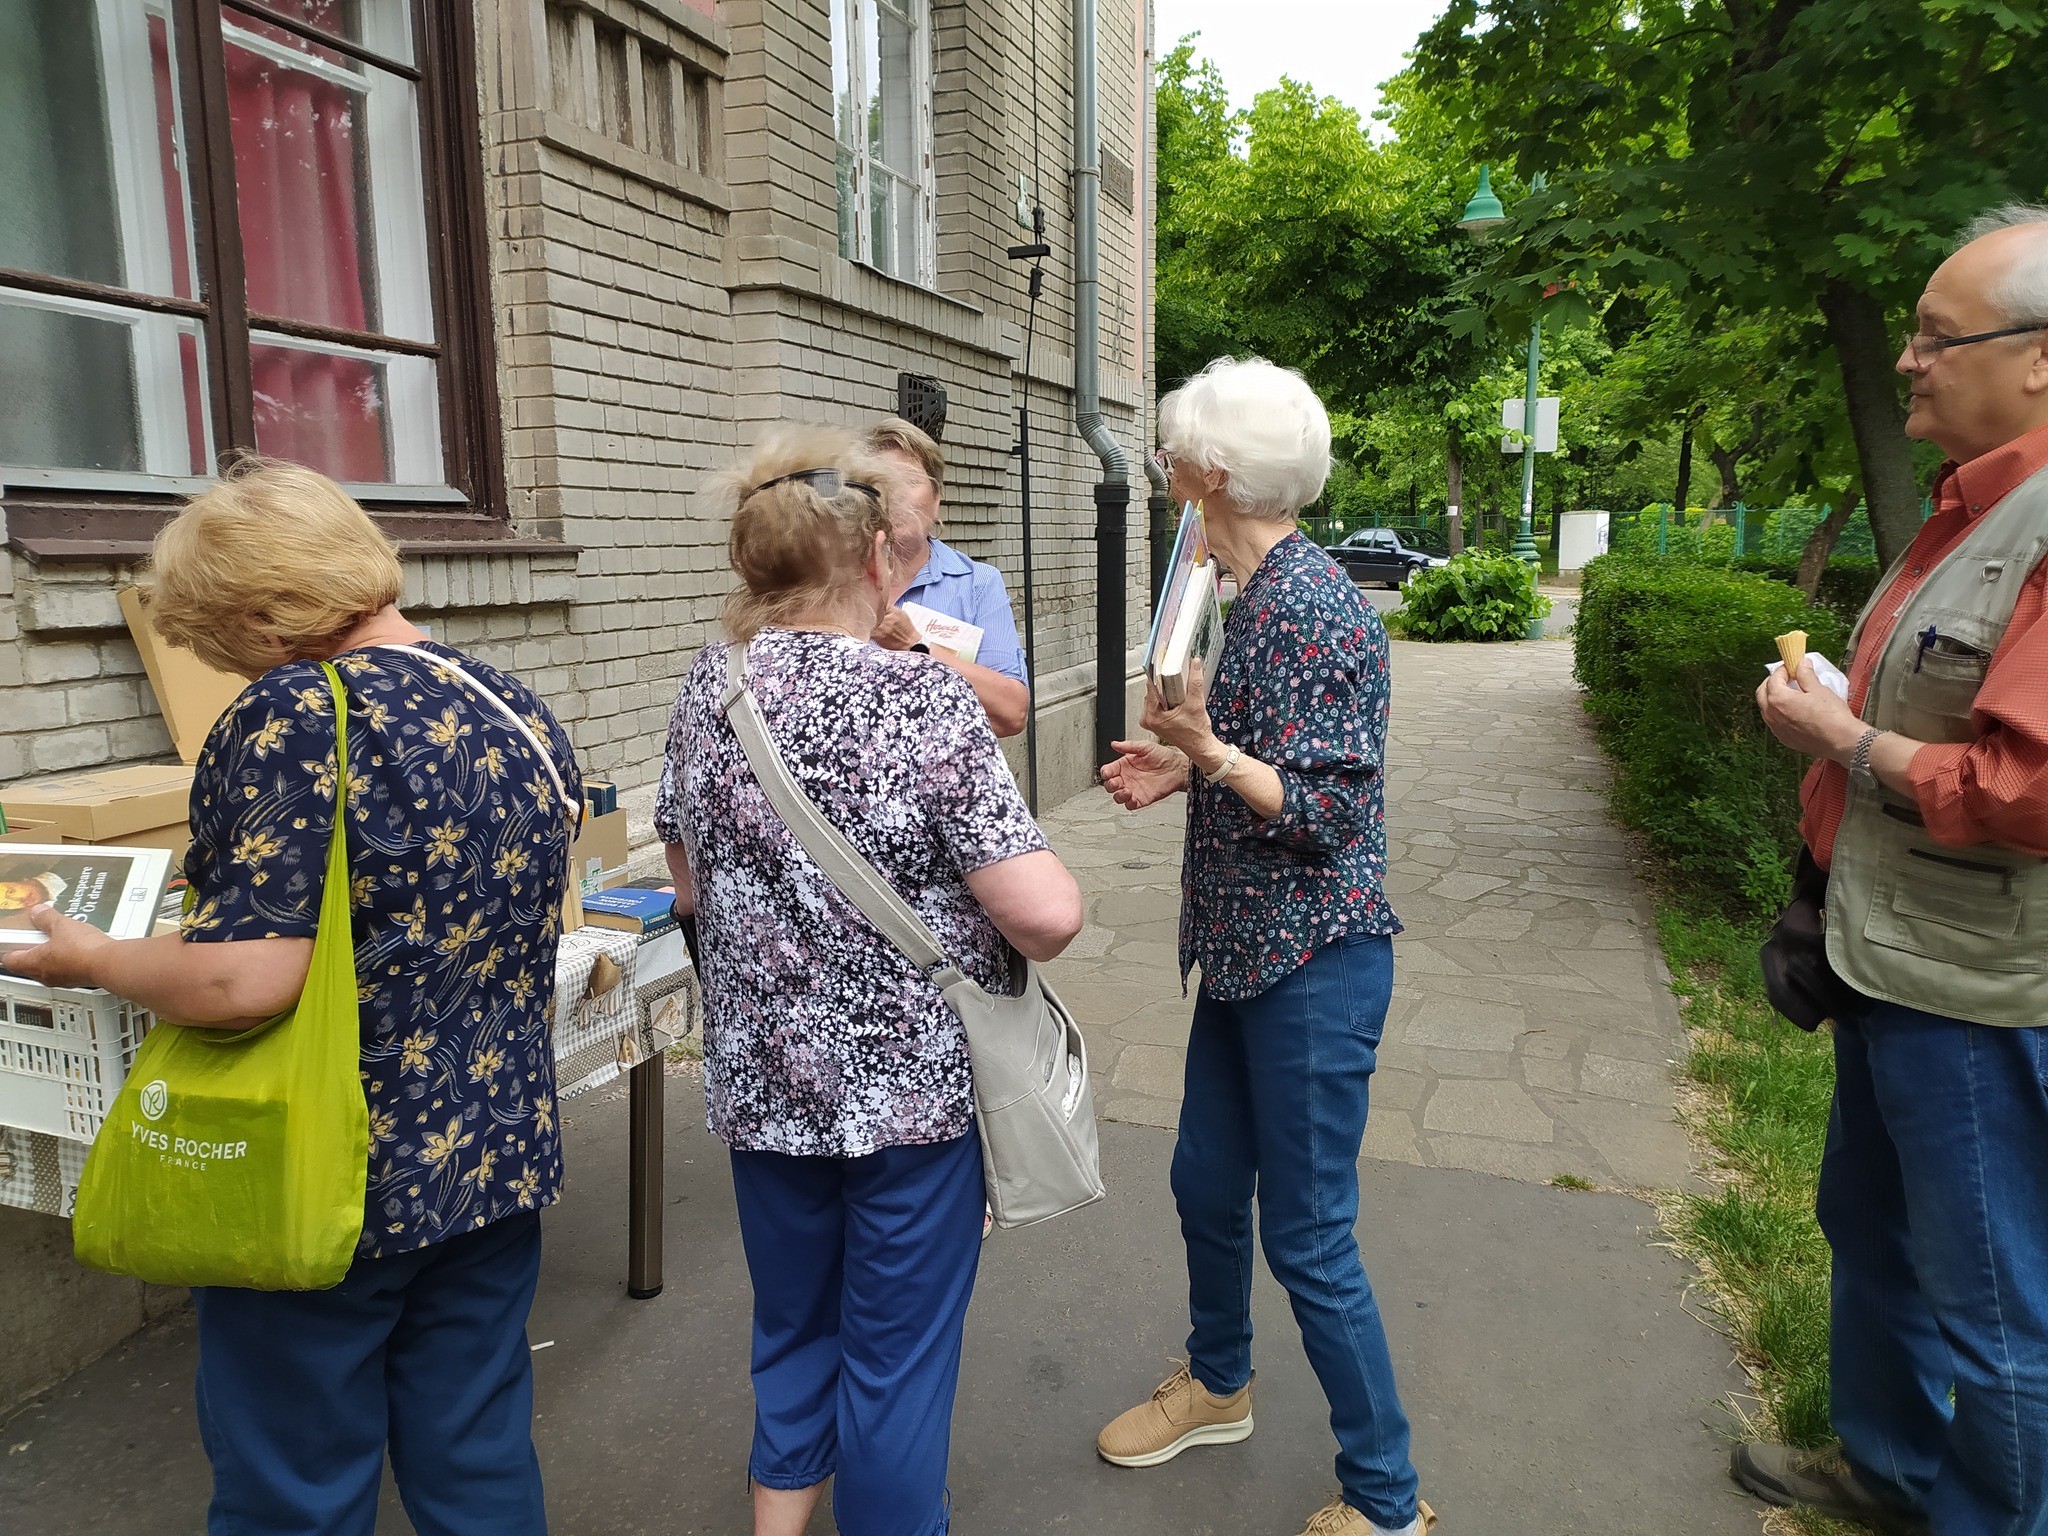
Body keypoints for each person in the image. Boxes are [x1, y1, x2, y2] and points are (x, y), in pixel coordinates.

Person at [3, 459, 582, 1536]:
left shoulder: (294, 712)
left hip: (324, 1166)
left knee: (295, 1486)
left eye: (218, 636)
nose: (222, 661)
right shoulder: (506, 700)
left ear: (262, 614)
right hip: (492, 1156)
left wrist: (93, 959)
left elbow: (243, 980)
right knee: (476, 1454)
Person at [654, 424, 1083, 1536]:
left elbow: (687, 886)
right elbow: (1045, 917)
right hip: (909, 1104)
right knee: (894, 1362)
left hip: (763, 1086)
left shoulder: (708, 688)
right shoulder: (919, 697)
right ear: (878, 558)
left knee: (794, 1329)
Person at [1745, 206, 2048, 1535]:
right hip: (1889, 956)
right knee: (1871, 1231)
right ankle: (1891, 1469)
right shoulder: (1969, 509)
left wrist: (1845, 741)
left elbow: (2029, 791)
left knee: (1996, 1302)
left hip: (1977, 993)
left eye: (1937, 338)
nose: (1909, 361)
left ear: (2037, 358)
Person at [1095, 358, 1433, 1536]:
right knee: (1203, 1180)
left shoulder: (1310, 607)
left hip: (1312, 963)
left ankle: (1385, 1501)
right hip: (1246, 955)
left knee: (1308, 1237)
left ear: (1213, 473)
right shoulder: (1247, 590)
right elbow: (1267, 760)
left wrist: (1205, 749)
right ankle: (1218, 1385)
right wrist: (1183, 763)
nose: (1162, 471)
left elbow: (1327, 809)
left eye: (1170, 454)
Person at [865, 417, 1031, 737]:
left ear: (937, 497)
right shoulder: (835, 583)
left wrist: (915, 644)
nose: (895, 495)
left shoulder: (977, 584)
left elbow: (1011, 713)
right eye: (882, 482)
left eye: (909, 480)